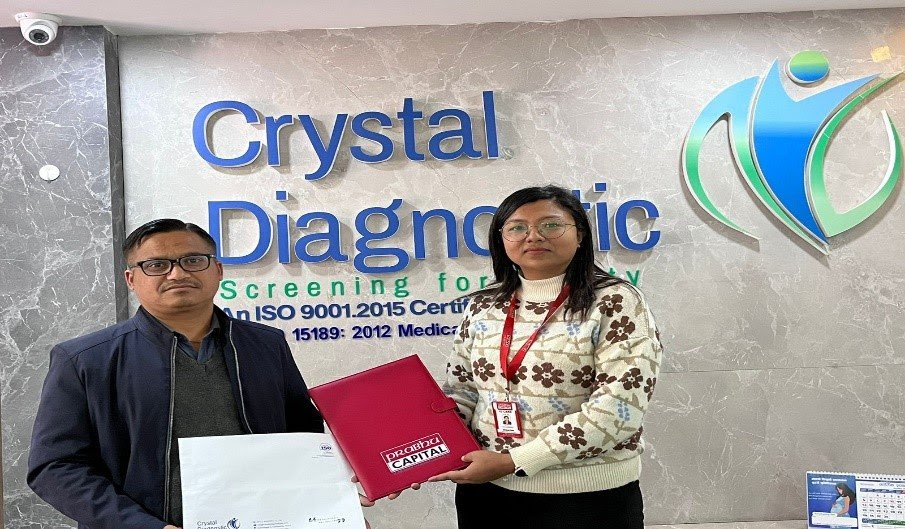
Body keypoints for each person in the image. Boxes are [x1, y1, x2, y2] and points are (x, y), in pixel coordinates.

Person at [27, 219, 325, 529]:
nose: (178, 274)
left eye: (193, 260)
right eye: (157, 265)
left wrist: (333, 484)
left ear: (218, 270)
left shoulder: (266, 344)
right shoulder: (85, 359)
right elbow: (56, 467)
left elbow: (305, 436)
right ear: (131, 279)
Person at [432, 185, 663, 529]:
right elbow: (461, 392)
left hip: (586, 499)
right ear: (501, 238)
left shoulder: (615, 302)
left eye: (551, 224)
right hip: (487, 495)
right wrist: (416, 460)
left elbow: (618, 410)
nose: (533, 236)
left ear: (580, 234)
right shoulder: (484, 305)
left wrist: (514, 461)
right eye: (517, 227)